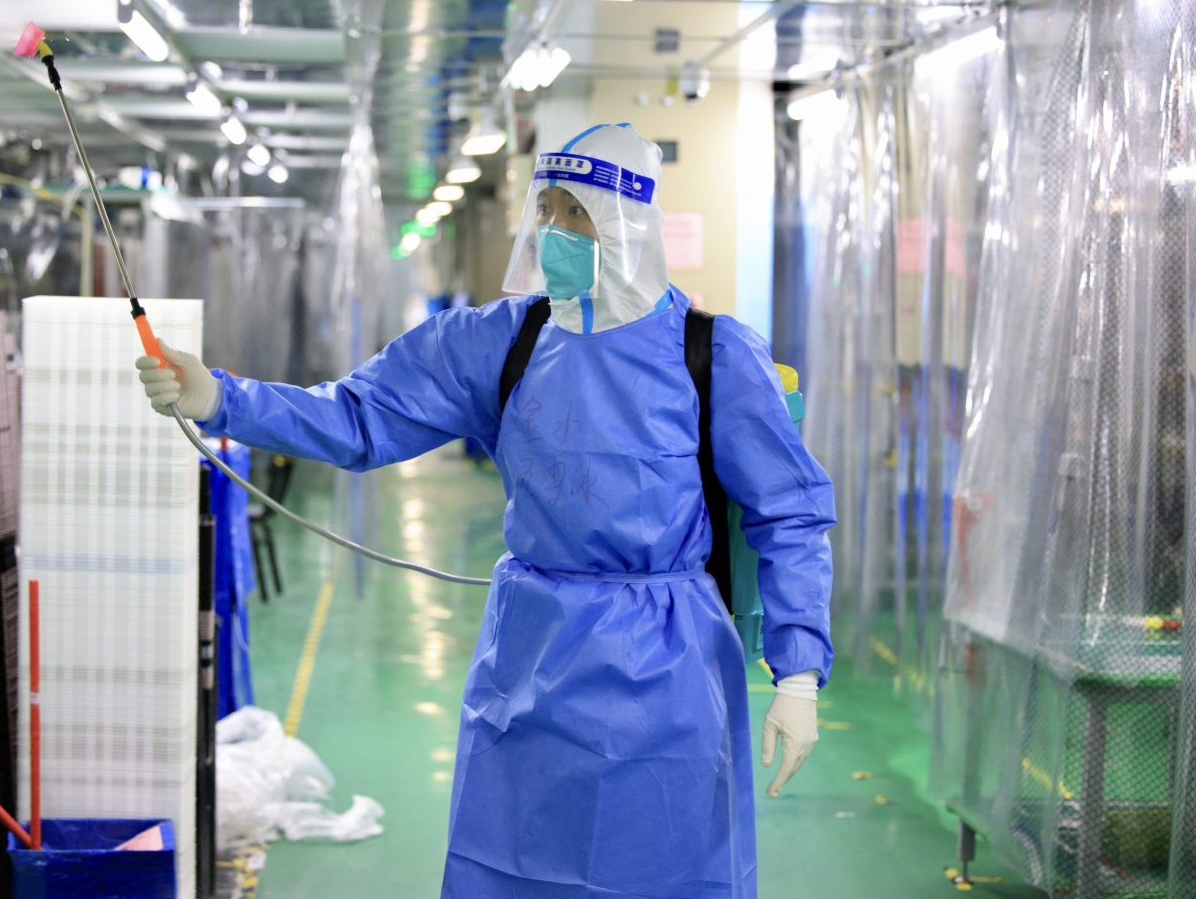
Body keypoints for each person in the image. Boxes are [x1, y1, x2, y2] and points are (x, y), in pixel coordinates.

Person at [137, 123, 835, 899]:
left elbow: (791, 514)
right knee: (513, 866)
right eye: (548, 209)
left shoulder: (712, 355)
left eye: (579, 215)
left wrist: (797, 673)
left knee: (662, 869)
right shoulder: (500, 343)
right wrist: (223, 399)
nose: (556, 231)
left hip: (668, 671)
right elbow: (361, 417)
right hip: (530, 661)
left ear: (628, 226)